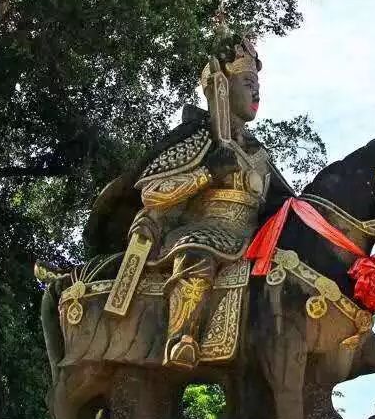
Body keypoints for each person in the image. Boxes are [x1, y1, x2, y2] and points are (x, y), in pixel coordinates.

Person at [88, 28, 292, 368]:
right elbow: (152, 193)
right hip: (201, 228)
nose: (256, 92)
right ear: (223, 89)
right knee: (198, 249)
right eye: (247, 84)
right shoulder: (199, 139)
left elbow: (285, 202)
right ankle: (180, 338)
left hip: (254, 238)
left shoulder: (259, 154)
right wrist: (207, 174)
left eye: (258, 86)